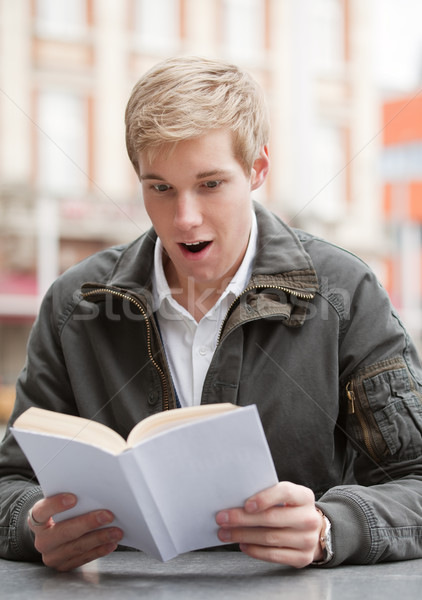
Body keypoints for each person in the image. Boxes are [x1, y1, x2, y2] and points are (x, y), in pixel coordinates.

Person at [1, 56, 422, 572]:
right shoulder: (75, 306)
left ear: (257, 170)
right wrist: (31, 524)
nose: (185, 218)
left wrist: (332, 527)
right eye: (160, 188)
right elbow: (10, 484)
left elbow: (416, 480)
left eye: (210, 184)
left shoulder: (345, 293)